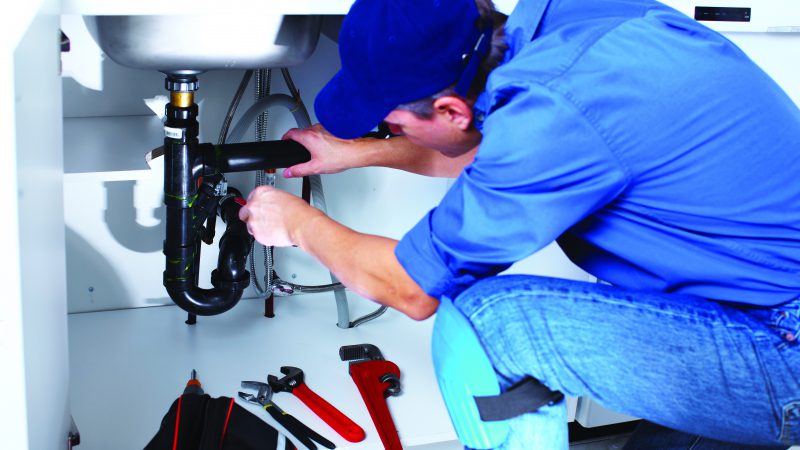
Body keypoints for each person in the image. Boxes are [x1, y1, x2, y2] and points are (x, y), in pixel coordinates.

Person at [237, 0, 800, 447]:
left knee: (490, 323)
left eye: (394, 126)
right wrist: (353, 153)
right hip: (743, 312)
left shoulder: (554, 112)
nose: (392, 135)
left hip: (782, 345)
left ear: (451, 110)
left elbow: (410, 289)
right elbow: (491, 144)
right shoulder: (564, 27)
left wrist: (297, 224)